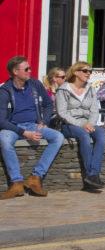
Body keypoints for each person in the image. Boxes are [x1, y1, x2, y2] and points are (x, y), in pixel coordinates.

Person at [0, 56, 64, 199]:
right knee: (4, 140)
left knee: (58, 137)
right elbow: (1, 121)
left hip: (34, 124)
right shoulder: (4, 90)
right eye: (27, 69)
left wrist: (45, 121)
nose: (30, 71)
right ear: (15, 72)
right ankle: (16, 183)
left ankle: (35, 178)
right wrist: (24, 133)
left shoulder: (35, 84)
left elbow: (48, 104)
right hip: (13, 127)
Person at [56, 62, 105, 192]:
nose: (88, 73)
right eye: (85, 71)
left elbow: (95, 109)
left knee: (101, 135)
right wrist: (82, 124)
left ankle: (93, 174)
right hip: (70, 124)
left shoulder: (90, 88)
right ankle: (92, 176)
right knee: (84, 136)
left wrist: (90, 123)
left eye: (90, 71)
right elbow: (62, 113)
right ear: (76, 72)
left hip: (88, 122)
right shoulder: (63, 89)